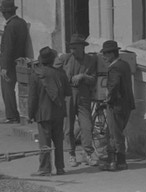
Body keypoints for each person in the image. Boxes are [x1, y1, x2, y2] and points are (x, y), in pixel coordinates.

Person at [54, 34, 98, 167]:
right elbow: (55, 72)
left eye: (75, 48)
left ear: (82, 48)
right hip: (68, 96)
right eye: (71, 48)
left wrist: (83, 76)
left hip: (84, 96)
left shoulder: (90, 60)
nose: (73, 51)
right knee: (68, 128)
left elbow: (94, 79)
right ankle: (71, 153)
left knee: (87, 126)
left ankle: (88, 153)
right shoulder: (65, 58)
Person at [28, 46, 72, 176]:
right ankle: (60, 167)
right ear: (53, 59)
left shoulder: (36, 75)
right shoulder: (61, 73)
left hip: (43, 113)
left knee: (45, 142)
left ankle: (45, 168)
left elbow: (32, 98)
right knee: (58, 141)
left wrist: (30, 114)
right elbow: (68, 92)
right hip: (58, 111)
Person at [99, 40, 135, 171]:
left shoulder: (114, 68)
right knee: (117, 132)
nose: (104, 57)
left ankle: (117, 162)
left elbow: (113, 86)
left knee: (114, 134)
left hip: (117, 105)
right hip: (127, 105)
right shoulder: (124, 65)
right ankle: (117, 161)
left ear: (113, 54)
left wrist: (108, 99)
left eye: (106, 54)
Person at [0, 0, 29, 124]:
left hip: (9, 64)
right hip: (20, 61)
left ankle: (11, 115)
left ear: (5, 13)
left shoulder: (10, 26)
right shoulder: (21, 23)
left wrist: (4, 66)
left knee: (7, 90)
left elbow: (8, 47)